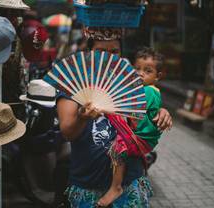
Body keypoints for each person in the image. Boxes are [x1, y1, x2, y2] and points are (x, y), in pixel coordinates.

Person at [57, 27, 172, 207]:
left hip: (130, 182)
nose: (109, 57)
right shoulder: (73, 83)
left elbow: (147, 102)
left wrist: (161, 111)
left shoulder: (129, 80)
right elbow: (67, 132)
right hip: (88, 184)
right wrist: (82, 117)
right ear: (90, 53)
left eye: (114, 51)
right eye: (101, 51)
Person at [97, 47, 164, 207]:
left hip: (140, 138)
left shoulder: (148, 91)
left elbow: (129, 111)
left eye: (148, 71)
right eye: (137, 69)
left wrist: (104, 108)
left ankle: (116, 187)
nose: (140, 73)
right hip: (139, 136)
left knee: (117, 149)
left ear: (158, 76)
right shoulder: (142, 89)